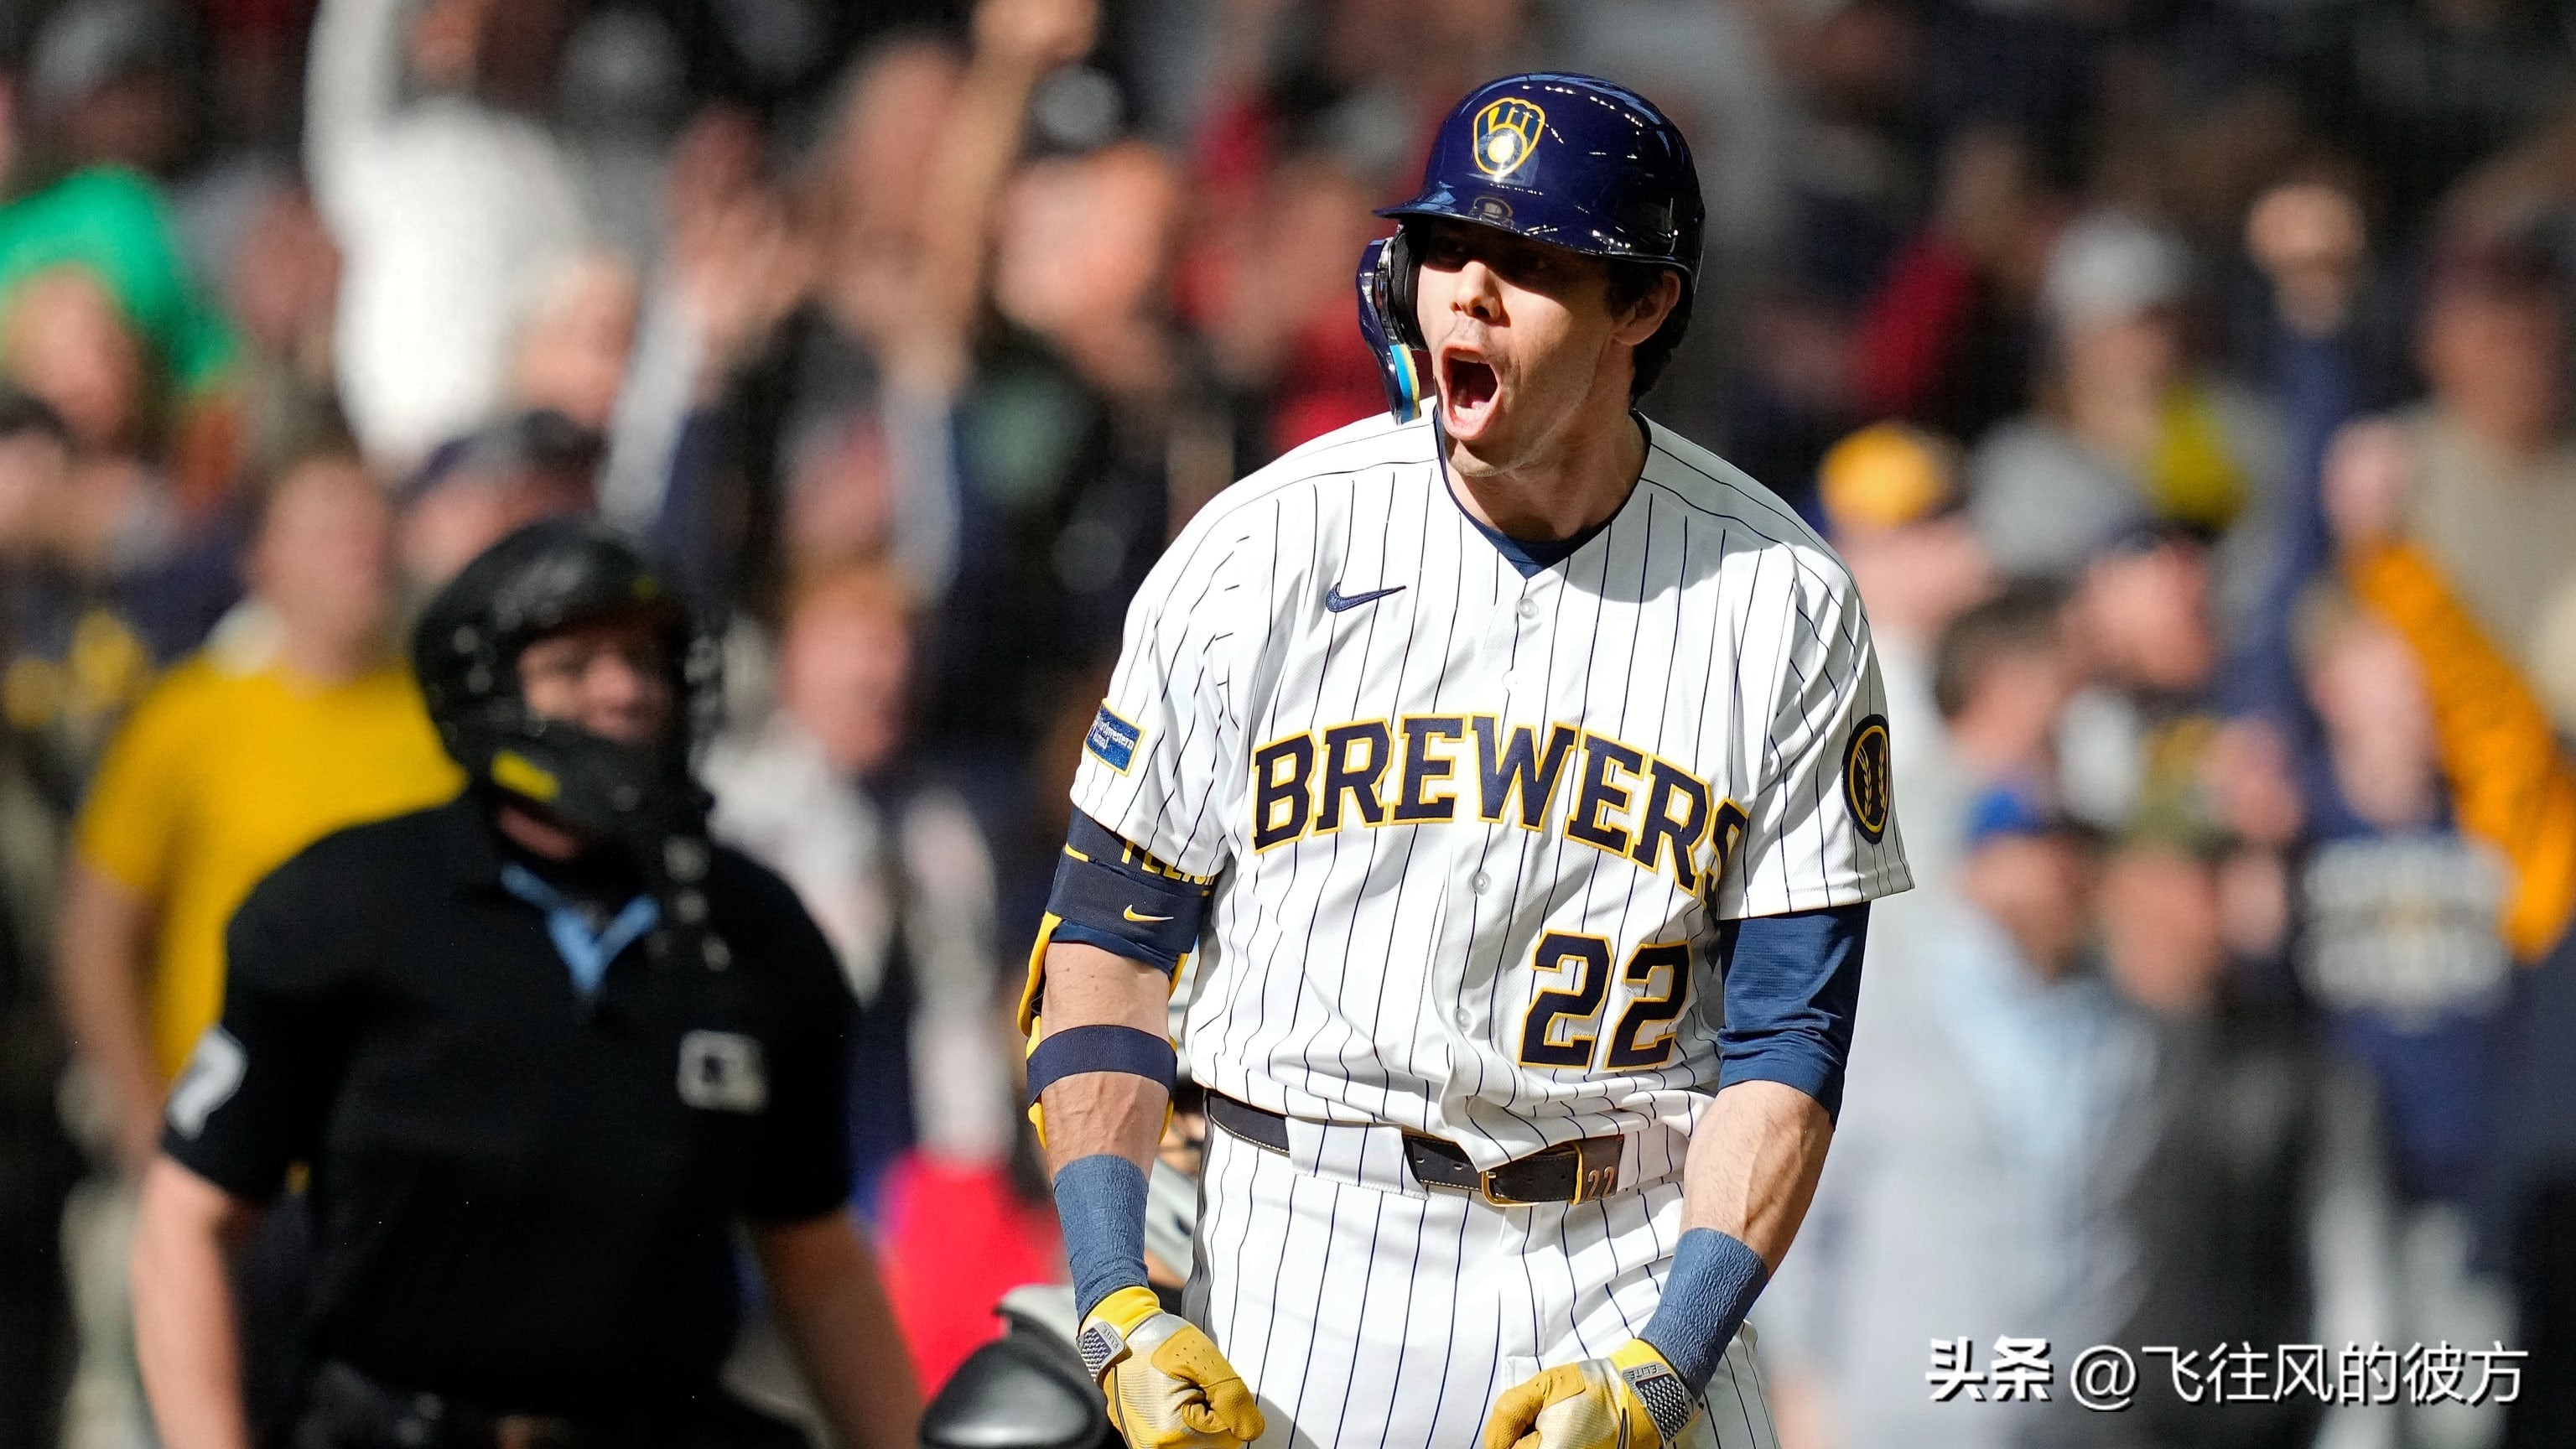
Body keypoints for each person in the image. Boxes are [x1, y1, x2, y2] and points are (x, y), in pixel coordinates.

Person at [1028, 75, 1909, 1449]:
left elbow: (1788, 1042)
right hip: (1303, 1260)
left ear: (1644, 305)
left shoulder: (1778, 597)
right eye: (1446, 250)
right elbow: (1102, 940)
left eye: (1531, 262)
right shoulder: (1257, 552)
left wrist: (1666, 1364)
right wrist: (1115, 1301)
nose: (1470, 294)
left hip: (1629, 1253)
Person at [127, 520, 922, 1449]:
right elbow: (189, 1220)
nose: (624, 691)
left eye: (642, 659)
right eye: (575, 666)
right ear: (487, 688)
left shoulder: (756, 934)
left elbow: (816, 1261)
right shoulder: (345, 907)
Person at [54, 450, 458, 1448]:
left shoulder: (443, 726)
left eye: (373, 529)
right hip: (233, 1186)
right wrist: (149, 1131)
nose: (360, 554)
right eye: (329, 529)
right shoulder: (190, 718)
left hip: (402, 1193)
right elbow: (95, 938)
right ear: (263, 561)